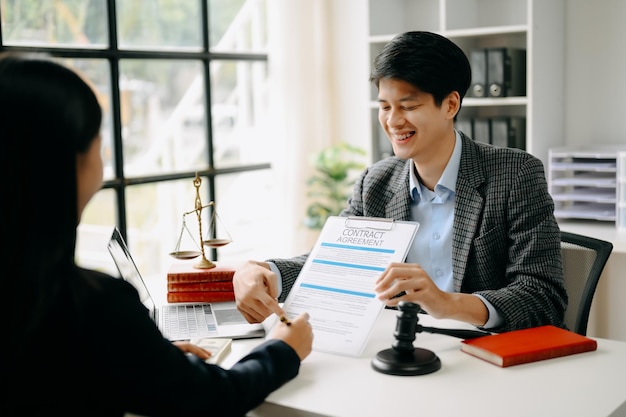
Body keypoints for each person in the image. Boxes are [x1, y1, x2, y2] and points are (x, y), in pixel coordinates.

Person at [0, 51, 313, 417]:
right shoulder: (91, 307)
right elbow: (217, 398)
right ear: (68, 162)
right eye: (98, 143)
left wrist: (144, 361)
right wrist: (284, 349)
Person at [233, 31, 567, 333]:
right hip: (399, 344)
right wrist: (268, 274)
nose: (393, 121)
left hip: (485, 353)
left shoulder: (515, 174)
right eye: (385, 106)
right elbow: (333, 261)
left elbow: (542, 296)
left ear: (450, 104)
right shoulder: (375, 182)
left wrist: (447, 303)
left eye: (408, 106)